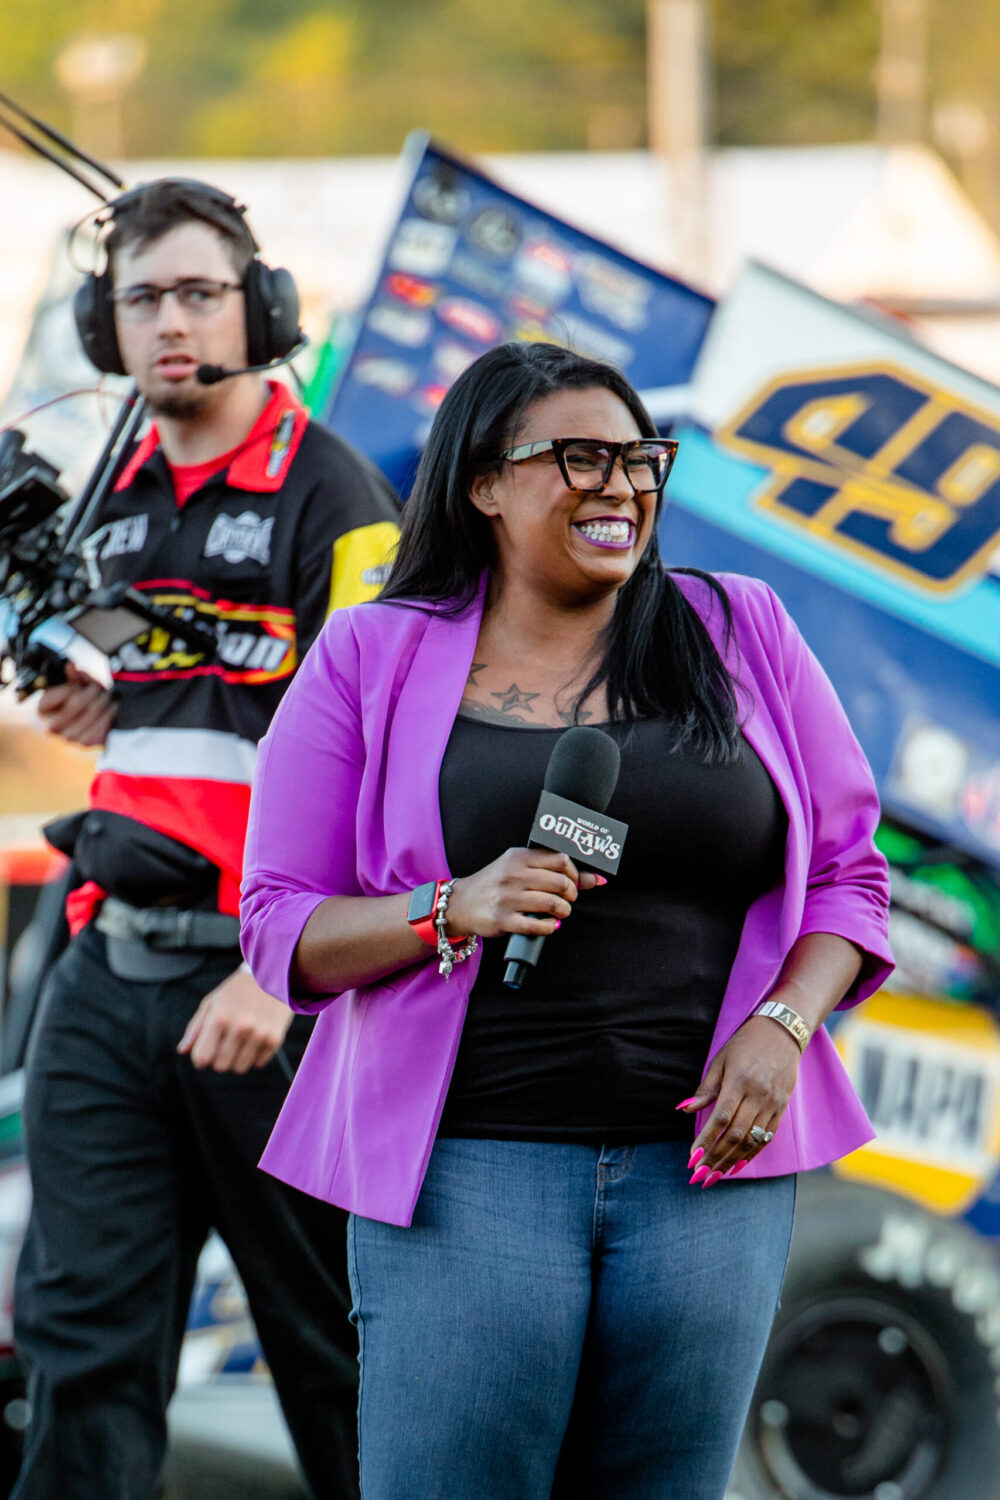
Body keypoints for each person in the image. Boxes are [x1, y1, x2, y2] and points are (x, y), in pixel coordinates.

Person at [240, 341, 893, 1500]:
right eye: (578, 458)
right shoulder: (370, 655)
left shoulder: (740, 632)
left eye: (641, 458)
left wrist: (786, 1023)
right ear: (484, 482)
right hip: (466, 1178)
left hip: (704, 1182)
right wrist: (451, 907)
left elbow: (848, 873)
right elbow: (282, 929)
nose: (622, 487)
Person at [13, 178, 399, 1500]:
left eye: (197, 293)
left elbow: (381, 764)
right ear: (102, 325)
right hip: (104, 969)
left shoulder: (336, 498)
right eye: (141, 300)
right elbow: (137, 656)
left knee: (337, 1354)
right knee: (78, 1354)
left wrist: (278, 971)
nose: (170, 323)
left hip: (262, 991)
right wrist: (89, 690)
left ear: (263, 309)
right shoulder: (113, 491)